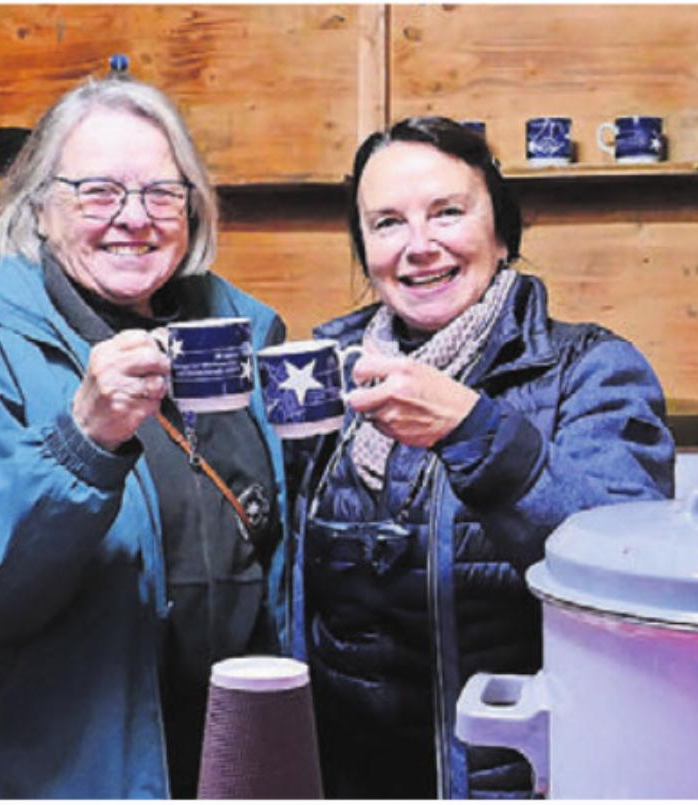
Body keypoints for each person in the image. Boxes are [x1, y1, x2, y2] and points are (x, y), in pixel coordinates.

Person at [0, 69, 290, 799]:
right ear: (39, 208)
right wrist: (83, 440)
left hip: (221, 761)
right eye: (98, 191)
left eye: (162, 192)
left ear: (192, 210)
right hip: (45, 777)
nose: (134, 216)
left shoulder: (243, 337)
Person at [286, 116, 675, 798]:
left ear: (501, 232)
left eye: (447, 213)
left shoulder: (589, 368)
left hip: (517, 779)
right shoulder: (327, 373)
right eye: (387, 223)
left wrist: (476, 430)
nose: (419, 246)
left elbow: (629, 570)